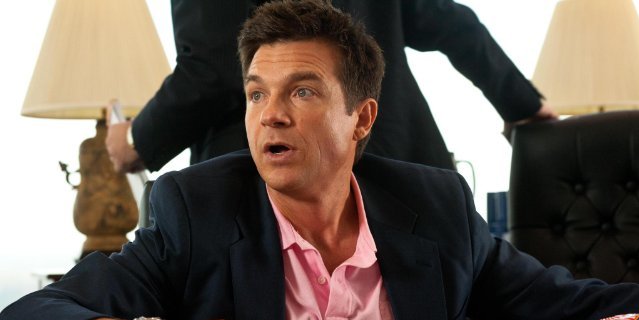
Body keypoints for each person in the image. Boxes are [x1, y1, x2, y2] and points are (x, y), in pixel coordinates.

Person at [0, 0, 632, 320]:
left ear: (361, 118)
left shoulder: (436, 208)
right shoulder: (195, 211)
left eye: (301, 92)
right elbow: (34, 315)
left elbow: (568, 306)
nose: (270, 116)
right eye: (256, 95)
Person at [106, 0, 556, 174]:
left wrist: (135, 141)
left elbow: (212, 69)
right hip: (403, 165)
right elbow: (452, 23)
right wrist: (522, 105)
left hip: (264, 194)